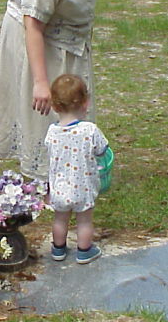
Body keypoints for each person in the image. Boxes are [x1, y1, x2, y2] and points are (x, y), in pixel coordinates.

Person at [0, 0, 115, 181]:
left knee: (71, 100)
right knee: (46, 105)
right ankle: (43, 172)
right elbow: (33, 25)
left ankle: (73, 163)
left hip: (68, 37)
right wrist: (40, 82)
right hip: (35, 35)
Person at [45, 74, 109, 264]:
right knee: (84, 220)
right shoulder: (90, 129)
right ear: (85, 103)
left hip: (59, 188)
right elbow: (102, 150)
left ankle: (58, 249)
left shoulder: (52, 132)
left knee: (60, 219)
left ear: (54, 106)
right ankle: (84, 250)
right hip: (83, 187)